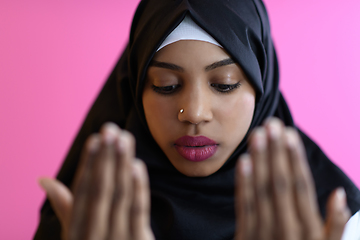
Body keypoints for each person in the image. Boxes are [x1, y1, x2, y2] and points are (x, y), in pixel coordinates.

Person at [34, 0, 360, 239]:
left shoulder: (335, 222)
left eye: (224, 83)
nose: (194, 113)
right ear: (134, 89)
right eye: (166, 86)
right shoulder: (88, 221)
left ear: (262, 88)